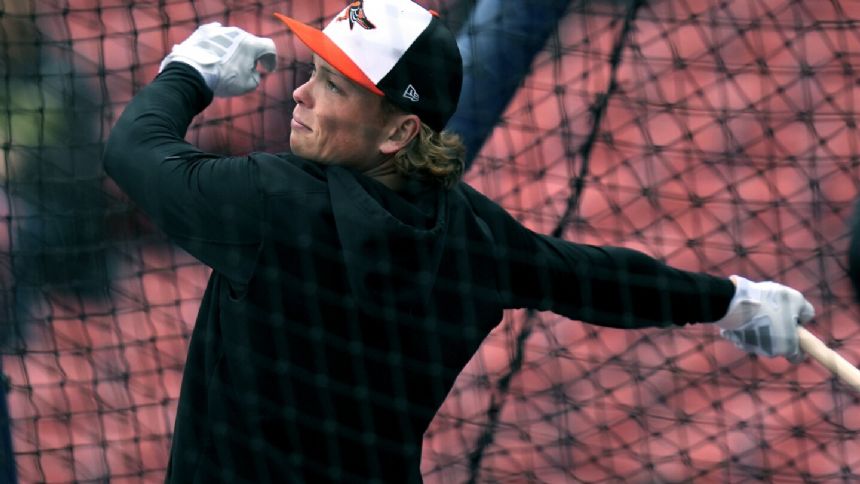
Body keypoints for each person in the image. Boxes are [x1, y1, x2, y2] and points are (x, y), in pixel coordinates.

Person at [102, 0, 815, 482]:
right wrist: (730, 300)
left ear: (399, 130)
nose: (299, 95)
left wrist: (189, 72)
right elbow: (591, 278)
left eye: (332, 86)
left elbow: (133, 152)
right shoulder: (471, 234)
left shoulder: (274, 203)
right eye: (313, 74)